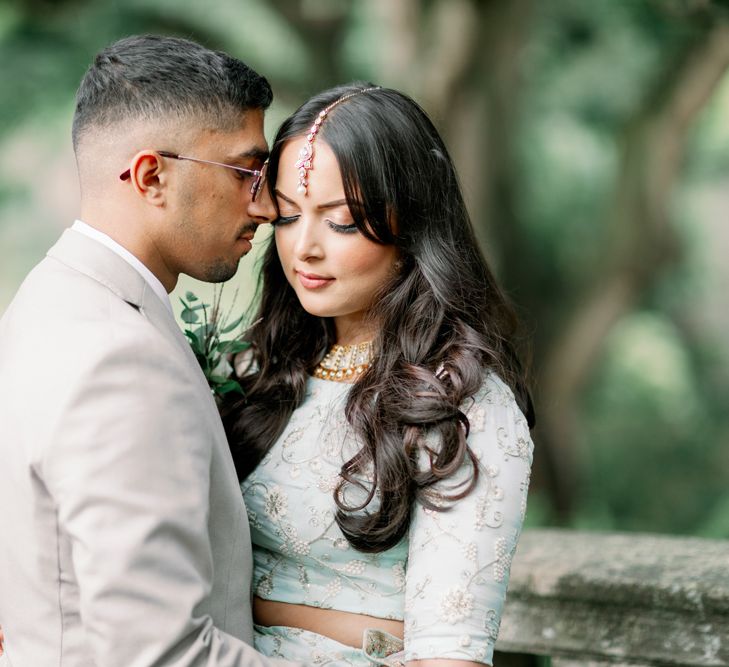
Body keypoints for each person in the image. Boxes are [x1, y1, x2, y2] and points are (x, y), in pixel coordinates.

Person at [0, 35, 298, 667]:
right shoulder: (118, 356)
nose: (268, 205)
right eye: (247, 171)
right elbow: (159, 652)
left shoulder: (43, 302)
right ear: (151, 176)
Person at [222, 84, 536, 666]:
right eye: (289, 215)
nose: (304, 248)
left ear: (411, 224)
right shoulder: (254, 369)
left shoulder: (463, 407)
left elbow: (449, 652)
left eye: (340, 222)